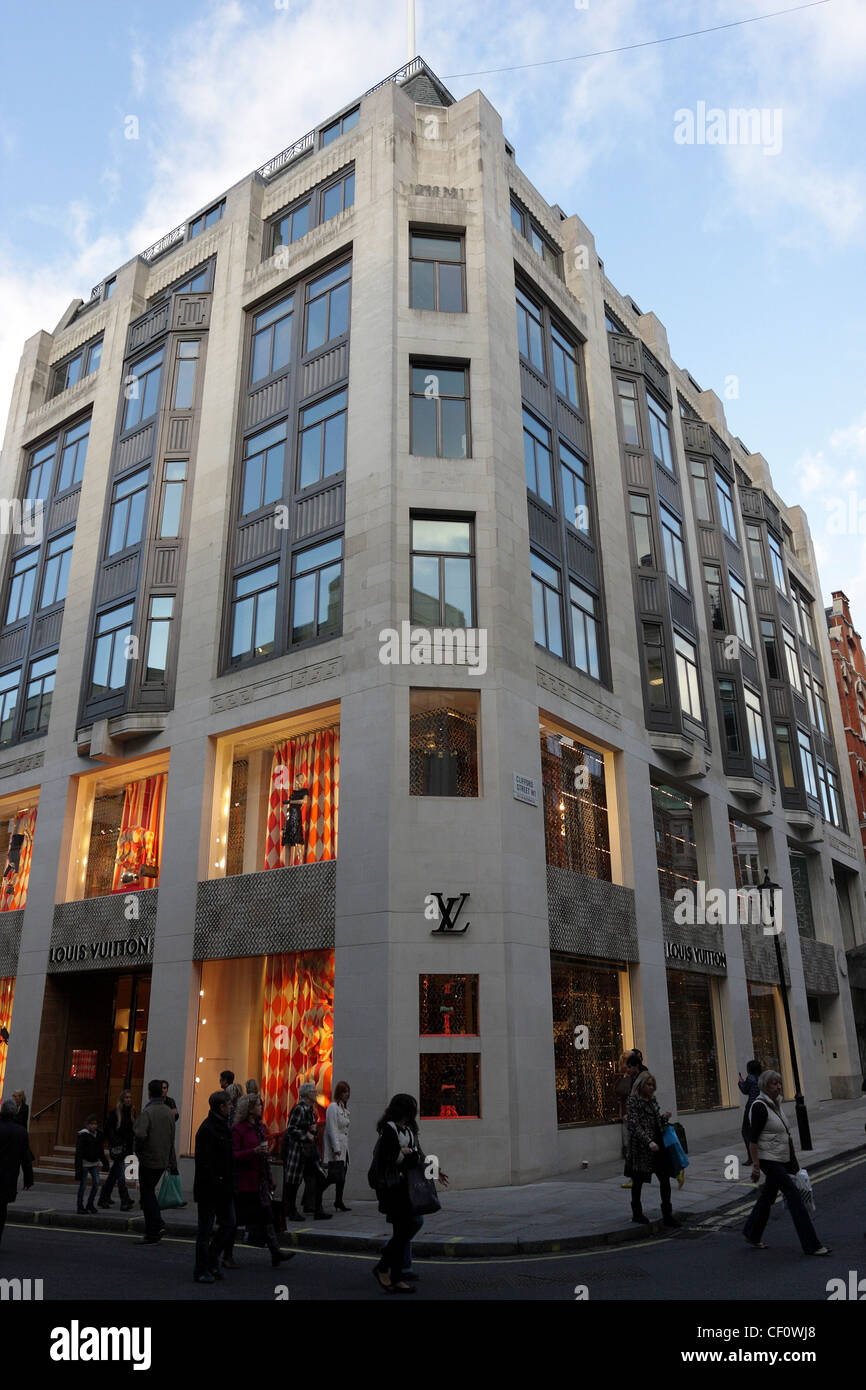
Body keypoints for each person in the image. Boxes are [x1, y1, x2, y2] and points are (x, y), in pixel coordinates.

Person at [743, 1070, 829, 1256]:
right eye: (775, 1084)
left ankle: (752, 1233)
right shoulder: (759, 1106)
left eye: (780, 1083)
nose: (779, 1086)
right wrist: (756, 1166)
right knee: (793, 1195)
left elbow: (784, 1135)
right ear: (765, 1086)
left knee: (768, 1196)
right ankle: (812, 1245)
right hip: (769, 1160)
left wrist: (793, 1163)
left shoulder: (776, 1104)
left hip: (782, 1158)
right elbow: (753, 1139)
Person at [371, 1093, 449, 1293]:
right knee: (405, 1229)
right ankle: (388, 1269)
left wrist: (435, 1170)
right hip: (393, 1188)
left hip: (407, 1188)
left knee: (405, 1229)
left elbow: (418, 1155)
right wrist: (405, 1155)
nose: (413, 1113)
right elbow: (388, 1158)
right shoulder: (389, 1129)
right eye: (410, 1109)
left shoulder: (410, 1130)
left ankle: (392, 1272)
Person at [231, 1093, 295, 1268]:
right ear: (250, 1109)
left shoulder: (260, 1127)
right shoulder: (238, 1130)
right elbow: (233, 1155)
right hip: (244, 1182)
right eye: (258, 1105)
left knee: (266, 1216)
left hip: (259, 1180)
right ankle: (226, 1255)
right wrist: (253, 1152)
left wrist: (270, 1177)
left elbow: (264, 1155)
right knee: (235, 1220)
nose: (261, 1107)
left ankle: (275, 1252)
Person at [193, 1090, 237, 1284]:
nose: (231, 1107)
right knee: (205, 1230)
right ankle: (201, 1269)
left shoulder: (224, 1127)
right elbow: (205, 1164)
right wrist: (217, 1184)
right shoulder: (207, 1129)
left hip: (224, 1187)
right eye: (229, 1105)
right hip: (209, 1189)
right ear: (221, 1107)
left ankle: (212, 1260)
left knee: (229, 1223)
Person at [626, 1073, 679, 1228]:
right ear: (641, 1085)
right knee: (638, 1181)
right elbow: (634, 1125)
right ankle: (637, 1213)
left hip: (658, 1144)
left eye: (652, 1085)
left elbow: (655, 1122)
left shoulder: (653, 1100)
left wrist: (664, 1118)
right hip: (642, 1147)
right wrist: (648, 1142)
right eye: (648, 1084)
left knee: (665, 1179)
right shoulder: (633, 1101)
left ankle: (667, 1215)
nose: (651, 1087)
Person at [133, 1078, 176, 1244]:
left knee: (147, 1194)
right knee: (149, 1193)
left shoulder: (148, 1112)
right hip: (162, 1159)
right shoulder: (168, 1112)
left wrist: (139, 1151)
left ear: (150, 1093)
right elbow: (171, 1138)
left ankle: (155, 1227)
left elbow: (140, 1134)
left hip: (149, 1159)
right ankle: (156, 1225)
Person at [282, 1081, 331, 1221]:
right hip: (299, 1152)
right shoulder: (300, 1109)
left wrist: (312, 1131)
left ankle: (317, 1208)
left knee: (319, 1177)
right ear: (307, 1094)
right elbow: (291, 1129)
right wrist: (306, 1135)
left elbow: (309, 1128)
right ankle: (291, 1210)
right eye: (313, 1091)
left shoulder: (310, 1109)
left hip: (309, 1152)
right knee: (294, 1181)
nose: (316, 1093)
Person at [0, 1097, 33, 1244]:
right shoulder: (21, 1132)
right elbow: (26, 1158)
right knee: (1, 1210)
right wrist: (28, 1178)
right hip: (8, 1178)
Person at [99, 1090, 136, 1210]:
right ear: (122, 1099)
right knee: (121, 1176)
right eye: (126, 1097)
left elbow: (131, 1131)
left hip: (126, 1148)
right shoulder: (115, 1113)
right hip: (118, 1148)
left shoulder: (131, 1112)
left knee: (114, 1174)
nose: (128, 1099)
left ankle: (104, 1197)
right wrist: (114, 1142)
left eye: (130, 1097)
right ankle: (124, 1200)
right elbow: (108, 1129)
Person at [616, 1051, 648, 1188]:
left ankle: (676, 1170)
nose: (627, 1069)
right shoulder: (632, 1076)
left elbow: (643, 1097)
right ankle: (633, 1178)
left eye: (629, 1066)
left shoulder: (642, 1077)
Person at [323, 1080, 351, 1212]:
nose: (347, 1095)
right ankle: (316, 1195)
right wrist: (336, 1148)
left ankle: (338, 1200)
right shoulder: (333, 1108)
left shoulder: (343, 1109)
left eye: (348, 1092)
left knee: (342, 1175)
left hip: (344, 1147)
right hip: (338, 1147)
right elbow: (332, 1129)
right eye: (344, 1092)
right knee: (333, 1176)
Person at [74, 1115, 107, 1214]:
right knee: (83, 1185)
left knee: (96, 1183)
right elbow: (78, 1153)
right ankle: (80, 1205)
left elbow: (100, 1150)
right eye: (91, 1124)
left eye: (95, 1124)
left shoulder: (98, 1135)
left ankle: (90, 1203)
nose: (94, 1126)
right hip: (84, 1163)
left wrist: (105, 1162)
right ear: (87, 1125)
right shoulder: (83, 1136)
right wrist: (78, 1168)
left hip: (94, 1163)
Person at [738, 1059, 763, 1165]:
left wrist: (740, 1082)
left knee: (746, 1132)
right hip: (762, 1104)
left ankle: (751, 1157)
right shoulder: (763, 1077)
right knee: (760, 1131)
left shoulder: (750, 1078)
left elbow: (745, 1090)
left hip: (751, 1106)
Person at [161, 1080, 181, 1178]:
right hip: (158, 1135)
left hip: (168, 1135)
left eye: (165, 1088)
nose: (163, 1090)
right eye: (161, 1088)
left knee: (172, 1164)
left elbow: (176, 1116)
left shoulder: (170, 1101)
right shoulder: (156, 1101)